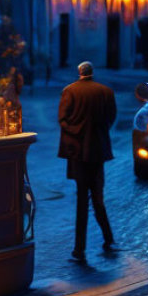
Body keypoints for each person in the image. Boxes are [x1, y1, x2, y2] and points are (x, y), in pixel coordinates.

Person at [57, 61, 118, 263]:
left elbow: (63, 119)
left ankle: (79, 249)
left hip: (77, 152)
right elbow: (111, 118)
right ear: (92, 72)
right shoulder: (105, 91)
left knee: (81, 200)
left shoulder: (69, 91)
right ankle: (109, 238)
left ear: (79, 72)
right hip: (97, 150)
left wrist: (76, 133)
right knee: (98, 197)